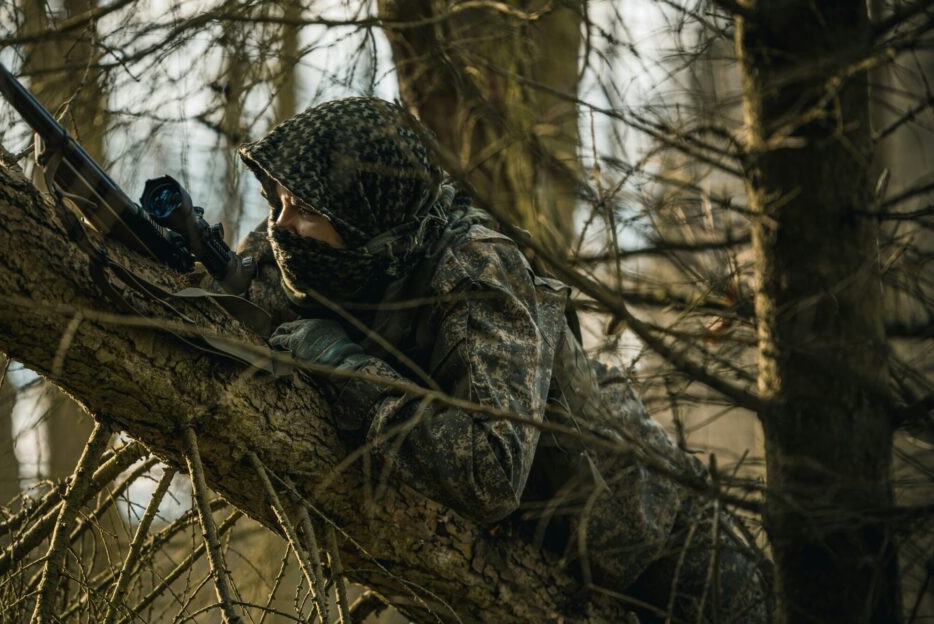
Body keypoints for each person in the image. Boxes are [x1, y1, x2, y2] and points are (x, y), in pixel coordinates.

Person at [235, 97, 769, 623]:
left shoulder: (475, 269)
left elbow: (488, 473)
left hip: (670, 548)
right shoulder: (316, 252)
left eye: (305, 209)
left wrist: (344, 366)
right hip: (557, 563)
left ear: (362, 214)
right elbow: (243, 285)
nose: (282, 226)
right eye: (278, 202)